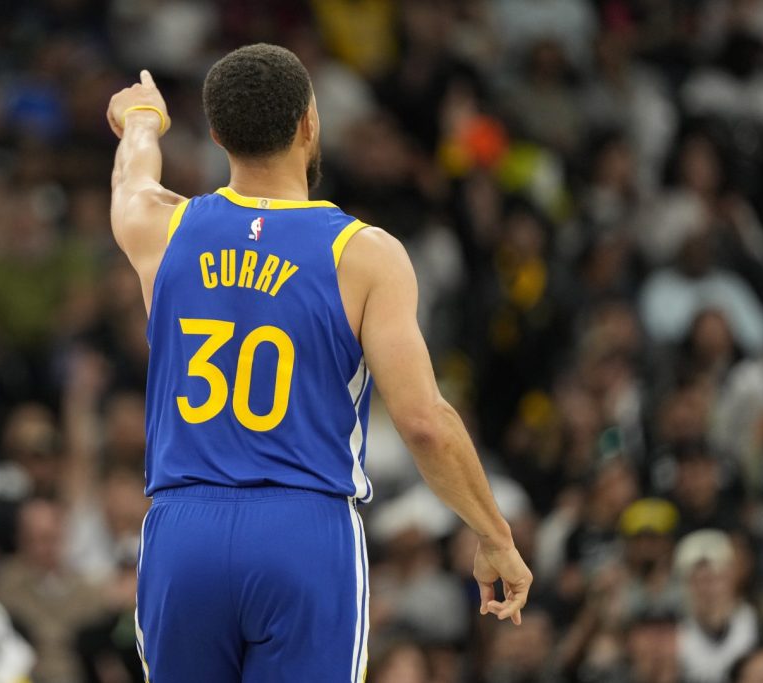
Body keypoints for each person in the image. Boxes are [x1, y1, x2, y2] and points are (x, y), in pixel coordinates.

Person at [106, 43, 533, 682]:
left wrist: (142, 119)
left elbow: (132, 179)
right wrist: (494, 533)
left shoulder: (161, 228)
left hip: (182, 527)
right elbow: (423, 422)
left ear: (217, 134)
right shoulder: (364, 254)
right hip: (303, 527)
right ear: (310, 122)